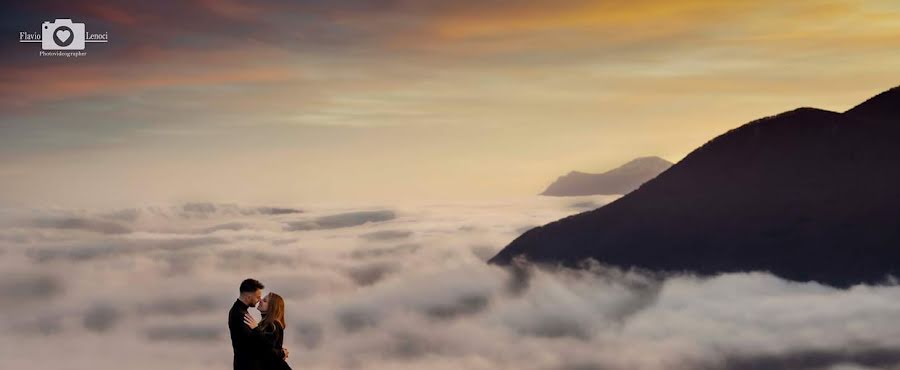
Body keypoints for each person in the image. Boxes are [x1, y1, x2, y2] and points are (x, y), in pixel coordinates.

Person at [244, 292, 292, 370]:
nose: (260, 300)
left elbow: (267, 351)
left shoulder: (274, 325)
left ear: (272, 308)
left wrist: (256, 329)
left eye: (265, 300)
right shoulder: (265, 324)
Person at [229, 278, 266, 370]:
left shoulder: (239, 310)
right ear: (248, 297)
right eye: (258, 297)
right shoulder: (240, 314)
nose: (259, 300)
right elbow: (253, 344)